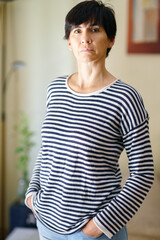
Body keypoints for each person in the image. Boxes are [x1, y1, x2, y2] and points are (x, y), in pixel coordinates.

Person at [25, 1, 154, 239]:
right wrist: (32, 195)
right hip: (46, 224)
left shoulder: (126, 97)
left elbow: (143, 172)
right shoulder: (55, 89)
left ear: (111, 39)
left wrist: (97, 226)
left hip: (92, 232)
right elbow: (47, 151)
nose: (85, 38)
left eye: (94, 29)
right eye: (77, 30)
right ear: (69, 42)